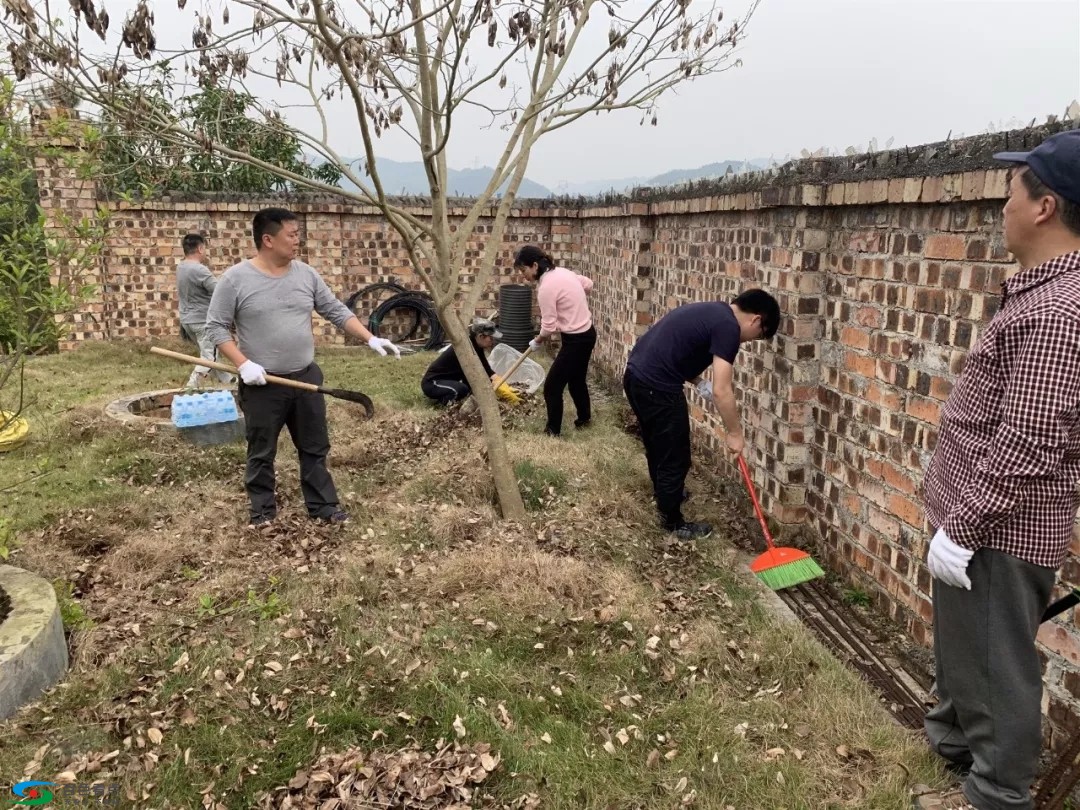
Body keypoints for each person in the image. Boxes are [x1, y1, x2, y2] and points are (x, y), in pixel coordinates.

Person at [915, 130, 1080, 810]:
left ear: (1044, 206)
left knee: (996, 668)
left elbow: (1028, 440)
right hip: (977, 519)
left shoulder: (1060, 312)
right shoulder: (1042, 293)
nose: (1002, 203)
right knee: (966, 652)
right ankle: (953, 745)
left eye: (1012, 190)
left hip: (999, 532)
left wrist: (964, 529)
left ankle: (993, 793)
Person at [205, 207, 401, 528]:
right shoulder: (236, 279)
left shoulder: (305, 275)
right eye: (292, 235)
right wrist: (243, 364)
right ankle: (263, 513)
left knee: (314, 446)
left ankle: (323, 506)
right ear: (268, 239)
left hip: (305, 376)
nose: (298, 241)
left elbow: (335, 310)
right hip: (262, 383)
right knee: (261, 450)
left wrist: (370, 339)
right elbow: (215, 328)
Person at [622, 291, 780, 541]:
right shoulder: (728, 327)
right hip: (657, 386)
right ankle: (672, 523)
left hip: (636, 376)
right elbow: (722, 390)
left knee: (658, 445)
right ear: (756, 321)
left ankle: (664, 495)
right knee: (676, 456)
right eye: (756, 337)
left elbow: (676, 349)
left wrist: (697, 381)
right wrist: (735, 433)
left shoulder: (713, 312)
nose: (749, 341)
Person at [515, 245, 597, 436]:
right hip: (588, 334)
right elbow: (588, 284)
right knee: (576, 380)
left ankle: (552, 431)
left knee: (552, 386)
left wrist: (538, 340)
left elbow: (549, 326)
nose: (523, 276)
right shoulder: (563, 272)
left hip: (576, 340)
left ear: (534, 266)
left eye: (524, 270)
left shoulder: (546, 288)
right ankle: (584, 420)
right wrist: (573, 300)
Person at [176, 233, 234, 388]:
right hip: (203, 321)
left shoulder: (181, 267)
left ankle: (229, 382)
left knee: (210, 355)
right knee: (209, 357)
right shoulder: (200, 270)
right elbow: (219, 291)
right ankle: (190, 387)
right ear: (200, 248)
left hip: (187, 321)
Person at [422, 318, 503, 405]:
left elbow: (486, 369)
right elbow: (478, 372)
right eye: (490, 338)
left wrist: (502, 384)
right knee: (461, 389)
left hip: (447, 380)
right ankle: (445, 403)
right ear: (481, 336)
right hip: (433, 383)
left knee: (468, 388)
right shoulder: (466, 349)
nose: (492, 341)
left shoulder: (476, 347)